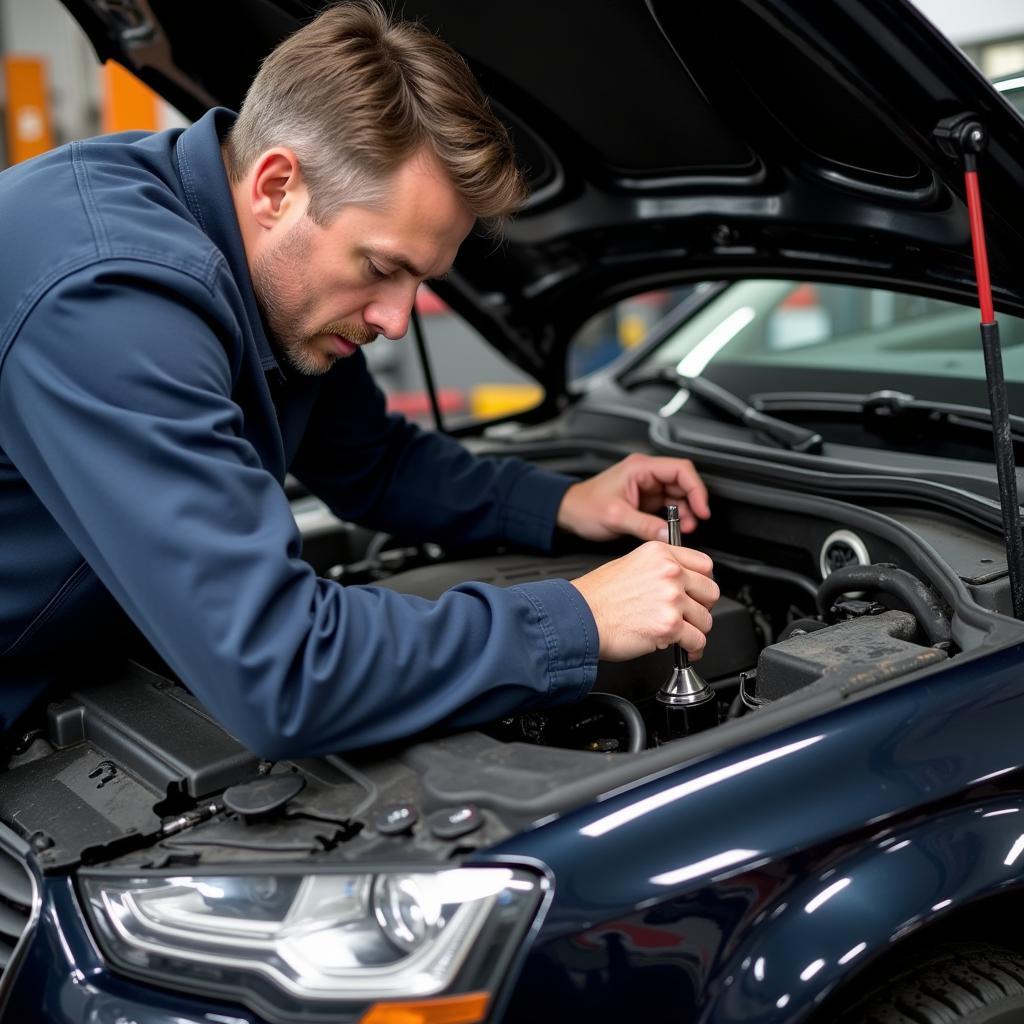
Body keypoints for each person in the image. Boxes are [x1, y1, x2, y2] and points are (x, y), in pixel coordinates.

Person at [0, 2, 718, 757]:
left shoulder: (263, 270)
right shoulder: (113, 300)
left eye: (422, 281)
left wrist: (565, 502)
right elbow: (284, 673)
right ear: (277, 187)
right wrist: (580, 618)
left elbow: (370, 460)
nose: (397, 319)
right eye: (382, 268)